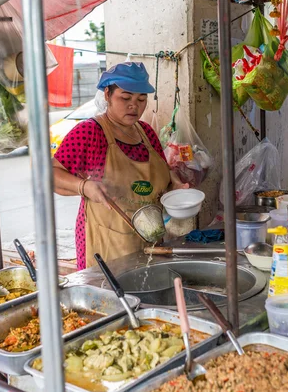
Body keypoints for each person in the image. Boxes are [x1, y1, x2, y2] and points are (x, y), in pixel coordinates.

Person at [52, 62, 187, 270]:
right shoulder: (89, 132)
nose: (134, 105)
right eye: (125, 98)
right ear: (107, 94)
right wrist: (84, 186)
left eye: (141, 99)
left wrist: (174, 184)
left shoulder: (147, 133)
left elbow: (163, 173)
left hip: (149, 239)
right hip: (105, 244)